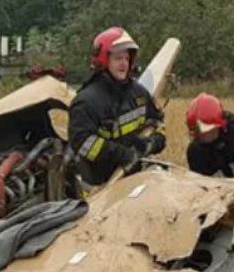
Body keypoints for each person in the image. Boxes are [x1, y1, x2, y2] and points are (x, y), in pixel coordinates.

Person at [68, 27, 165, 191]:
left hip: (134, 178)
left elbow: (157, 123)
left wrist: (153, 142)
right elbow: (83, 143)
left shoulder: (139, 94)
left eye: (127, 58)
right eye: (118, 58)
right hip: (98, 186)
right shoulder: (86, 101)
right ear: (103, 60)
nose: (124, 63)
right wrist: (121, 154)